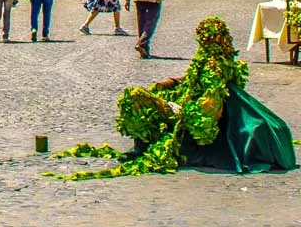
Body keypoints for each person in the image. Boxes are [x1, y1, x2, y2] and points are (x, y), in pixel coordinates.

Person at [51, 18, 296, 178]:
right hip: (194, 101)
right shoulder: (209, 62)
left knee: (138, 98)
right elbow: (191, 80)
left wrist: (182, 112)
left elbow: (209, 103)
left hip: (203, 111)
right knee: (149, 96)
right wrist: (171, 83)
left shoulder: (213, 66)